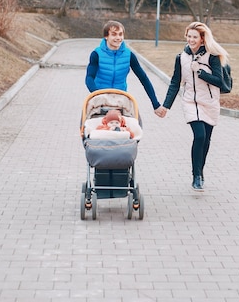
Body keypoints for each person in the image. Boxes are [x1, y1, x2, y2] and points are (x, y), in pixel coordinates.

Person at [156, 22, 229, 191]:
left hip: (209, 102)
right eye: (189, 36)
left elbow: (220, 82)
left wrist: (201, 72)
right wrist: (166, 106)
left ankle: (200, 170)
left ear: (202, 39)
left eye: (194, 37)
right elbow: (175, 83)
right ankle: (196, 175)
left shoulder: (213, 57)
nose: (191, 39)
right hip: (190, 102)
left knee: (207, 140)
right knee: (200, 136)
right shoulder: (181, 57)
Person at [85, 20, 162, 113]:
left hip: (120, 98)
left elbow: (144, 78)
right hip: (100, 97)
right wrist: (96, 93)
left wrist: (156, 104)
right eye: (114, 34)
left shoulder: (129, 55)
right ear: (106, 36)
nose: (118, 38)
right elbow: (89, 77)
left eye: (120, 34)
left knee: (134, 122)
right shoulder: (96, 54)